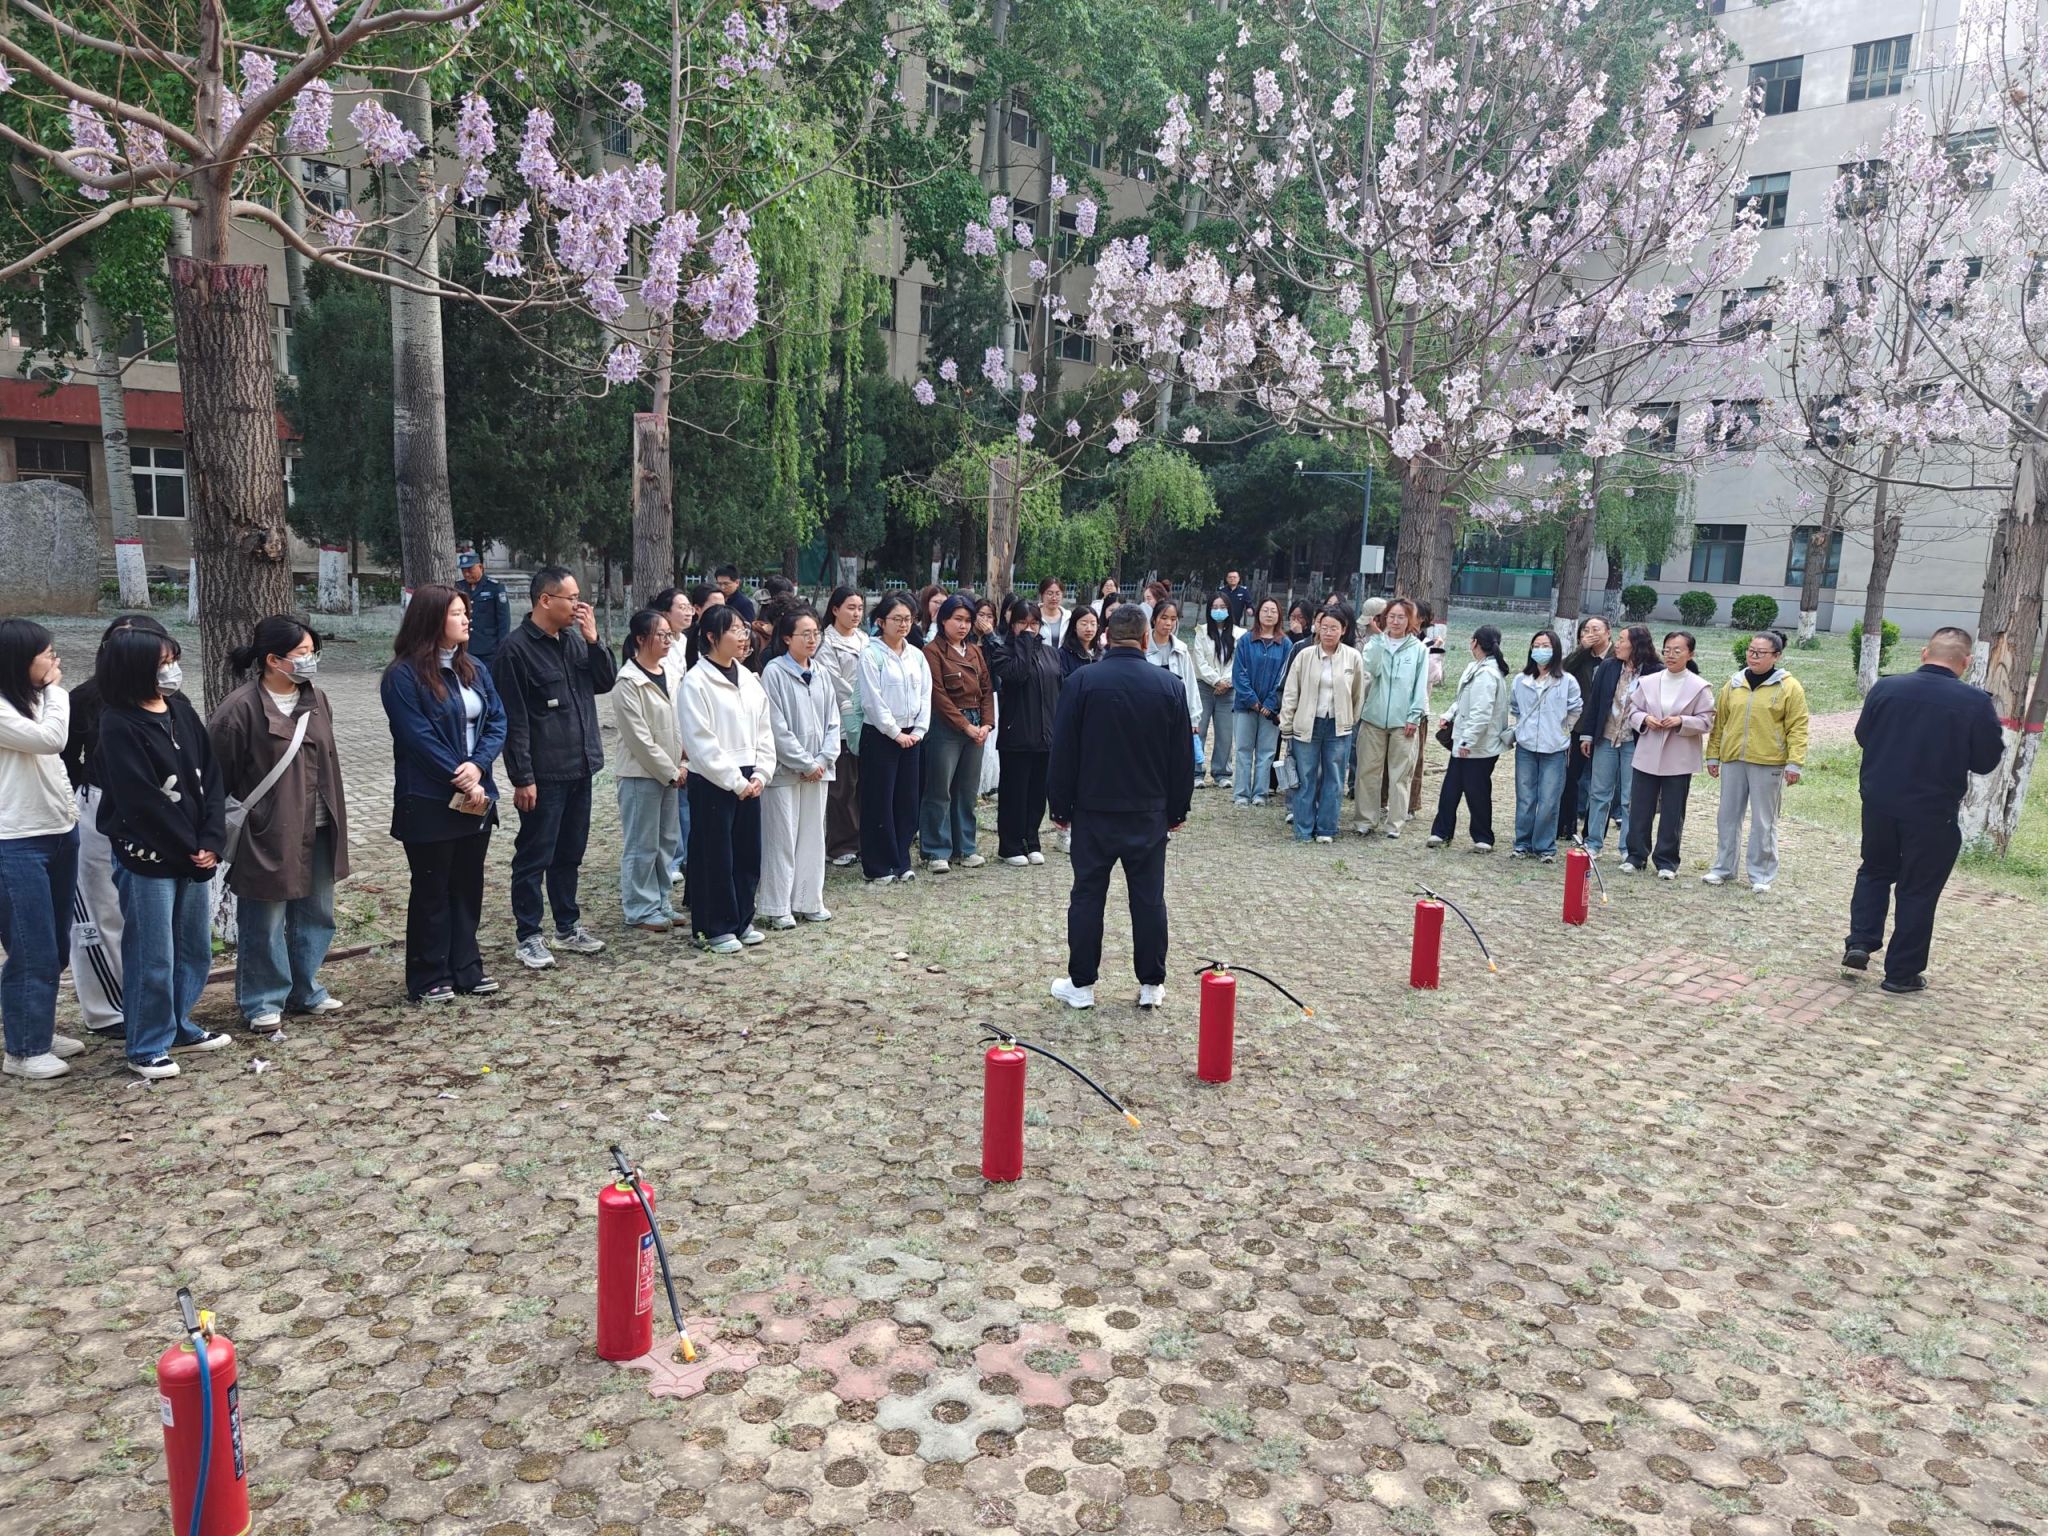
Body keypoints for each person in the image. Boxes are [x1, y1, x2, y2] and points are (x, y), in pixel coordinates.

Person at [93, 626, 231, 1078]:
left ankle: (179, 1025)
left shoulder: (181, 711)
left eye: (173, 661)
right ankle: (147, 1043)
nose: (171, 671)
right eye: (162, 664)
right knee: (152, 953)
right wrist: (190, 846)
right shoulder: (118, 723)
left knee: (193, 948)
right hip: (148, 856)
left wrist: (212, 840)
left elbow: (211, 778)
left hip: (194, 852)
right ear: (135, 669)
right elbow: (140, 799)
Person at [1047, 605, 1195, 1009]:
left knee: (1087, 896)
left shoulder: (1081, 682)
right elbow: (1182, 757)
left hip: (1092, 809)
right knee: (1148, 899)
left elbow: (1063, 750)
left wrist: (1059, 806)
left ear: (1106, 637)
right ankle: (1151, 983)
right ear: (1146, 639)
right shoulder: (1169, 686)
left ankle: (1082, 985)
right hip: (1148, 811)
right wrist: (1177, 809)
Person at [208, 615, 351, 1030]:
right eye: (302, 653)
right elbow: (218, 778)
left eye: (312, 652)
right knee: (265, 918)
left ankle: (305, 989)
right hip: (268, 829)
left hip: (321, 822)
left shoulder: (317, 698)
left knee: (316, 911)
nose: (310, 660)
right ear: (273, 659)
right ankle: (262, 1000)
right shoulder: (239, 709)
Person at [1844, 626, 2004, 993]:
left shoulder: (1886, 687)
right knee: (1918, 888)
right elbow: (1985, 762)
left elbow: (1863, 736)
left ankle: (1860, 942)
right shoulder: (1974, 703)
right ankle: (1900, 974)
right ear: (1966, 662)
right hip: (1932, 810)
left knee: (1874, 871)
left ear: (1924, 653)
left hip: (1880, 802)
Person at [383, 584, 507, 1003]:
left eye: (466, 612)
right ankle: (429, 975)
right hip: (429, 798)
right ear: (432, 619)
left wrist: (478, 767)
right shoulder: (402, 676)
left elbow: (497, 721)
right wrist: (463, 776)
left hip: (475, 795)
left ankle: (466, 968)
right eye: (457, 613)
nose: (467, 619)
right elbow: (417, 737)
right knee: (432, 888)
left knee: (467, 885)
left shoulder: (474, 668)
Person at [494, 564, 618, 970]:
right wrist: (522, 777)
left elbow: (605, 682)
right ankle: (529, 935)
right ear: (545, 600)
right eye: (572, 598)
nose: (580, 605)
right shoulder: (515, 650)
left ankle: (568, 925)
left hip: (581, 766)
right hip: (544, 774)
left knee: (570, 853)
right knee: (534, 856)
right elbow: (514, 721)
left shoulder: (575, 641)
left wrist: (594, 640)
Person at [61, 613, 172, 1039]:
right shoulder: (85, 698)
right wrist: (84, 800)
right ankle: (108, 1010)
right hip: (99, 810)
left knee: (150, 911)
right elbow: (66, 760)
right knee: (101, 909)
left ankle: (152, 1000)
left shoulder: (170, 699)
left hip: (158, 810)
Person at [0, 619, 84, 1080]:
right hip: (14, 841)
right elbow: (52, 740)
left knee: (55, 944)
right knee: (31, 946)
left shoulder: (31, 699)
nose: (56, 661)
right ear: (19, 661)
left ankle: (39, 1030)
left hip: (58, 830)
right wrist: (56, 690)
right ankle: (23, 1050)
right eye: (47, 654)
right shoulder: (10, 707)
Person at [678, 604, 777, 952]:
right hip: (714, 780)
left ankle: (742, 919)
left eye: (743, 630)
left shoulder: (749, 679)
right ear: (711, 636)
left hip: (751, 775)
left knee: (747, 854)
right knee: (714, 856)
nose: (742, 636)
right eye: (734, 630)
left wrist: (762, 772)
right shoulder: (695, 682)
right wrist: (736, 782)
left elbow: (764, 731)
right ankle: (713, 928)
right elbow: (701, 742)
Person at [1701, 630, 1810, 895]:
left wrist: (1795, 762)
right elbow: (1720, 722)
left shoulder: (1789, 687)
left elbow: (1798, 727)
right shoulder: (1734, 683)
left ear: (1776, 656)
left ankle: (1761, 874)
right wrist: (1713, 755)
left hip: (1769, 761)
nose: (1754, 656)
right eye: (1751, 651)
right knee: (1727, 816)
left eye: (1761, 653)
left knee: (1763, 820)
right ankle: (1723, 868)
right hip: (1733, 758)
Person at [759, 605, 839, 928]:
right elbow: (776, 727)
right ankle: (778, 906)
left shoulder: (821, 672)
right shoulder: (774, 673)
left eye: (815, 633)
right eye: (805, 634)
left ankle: (808, 900)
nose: (812, 639)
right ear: (786, 638)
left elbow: (833, 722)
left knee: (812, 837)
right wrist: (804, 762)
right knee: (782, 838)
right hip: (785, 771)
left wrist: (821, 760)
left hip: (818, 771)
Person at [611, 608, 686, 934]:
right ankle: (640, 908)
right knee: (642, 844)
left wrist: (682, 763)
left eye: (670, 635)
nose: (668, 640)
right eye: (661, 635)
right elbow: (639, 739)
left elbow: (679, 722)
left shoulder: (670, 673)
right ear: (641, 639)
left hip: (672, 772)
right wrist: (670, 770)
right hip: (640, 774)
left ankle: (661, 900)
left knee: (666, 841)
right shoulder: (628, 681)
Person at [1624, 631, 1716, 878]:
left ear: (1690, 654)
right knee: (1640, 807)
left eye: (1678, 650)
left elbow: (1707, 721)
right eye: (1667, 650)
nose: (1671, 655)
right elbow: (1632, 711)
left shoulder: (1699, 686)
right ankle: (1636, 856)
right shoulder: (1649, 681)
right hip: (1648, 752)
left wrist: (1681, 721)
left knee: (1673, 811)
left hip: (1679, 756)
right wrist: (1645, 719)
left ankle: (1666, 861)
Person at [858, 592, 933, 883]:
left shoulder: (916, 655)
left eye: (908, 619)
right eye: (897, 619)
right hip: (880, 736)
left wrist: (919, 731)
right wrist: (894, 733)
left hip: (912, 736)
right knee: (879, 800)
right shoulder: (871, 653)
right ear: (881, 621)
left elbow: (925, 695)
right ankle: (879, 865)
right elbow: (872, 701)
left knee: (907, 800)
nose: (903, 624)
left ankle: (902, 860)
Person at [1277, 607, 1369, 843]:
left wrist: (1350, 719)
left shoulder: (1353, 657)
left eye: (1334, 628)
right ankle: (1303, 829)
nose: (1328, 632)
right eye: (1324, 627)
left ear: (1343, 630)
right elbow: (1291, 692)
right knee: (1305, 778)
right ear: (1317, 627)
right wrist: (1287, 723)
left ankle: (1327, 828)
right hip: (1307, 725)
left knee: (1334, 779)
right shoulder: (1305, 655)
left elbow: (1358, 693)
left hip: (1338, 727)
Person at [920, 594, 994, 871]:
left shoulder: (974, 650)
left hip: (977, 724)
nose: (963, 626)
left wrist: (986, 724)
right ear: (943, 620)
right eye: (957, 619)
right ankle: (935, 850)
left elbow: (986, 688)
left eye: (968, 620)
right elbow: (937, 694)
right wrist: (965, 725)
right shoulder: (932, 651)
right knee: (939, 789)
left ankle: (965, 847)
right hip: (946, 725)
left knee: (967, 790)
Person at [989, 596, 1063, 864]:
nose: (1029, 628)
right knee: (1015, 793)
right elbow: (1018, 674)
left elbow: (1059, 689)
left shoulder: (1051, 653)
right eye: (1023, 622)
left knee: (1037, 794)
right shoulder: (1002, 652)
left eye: (1034, 623)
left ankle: (1032, 840)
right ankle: (1010, 845)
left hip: (1046, 734)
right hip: (1017, 734)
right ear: (1012, 624)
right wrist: (1023, 643)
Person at [1429, 626, 1512, 851]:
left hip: (1479, 745)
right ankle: (1441, 832)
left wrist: (1468, 741)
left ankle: (1483, 837)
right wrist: (1449, 715)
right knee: (1451, 787)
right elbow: (1463, 699)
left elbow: (1481, 712)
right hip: (1466, 741)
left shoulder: (1487, 674)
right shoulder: (1475, 667)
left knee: (1477, 790)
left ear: (1475, 642)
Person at [1356, 598, 1430, 838]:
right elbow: (1370, 670)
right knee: (1368, 771)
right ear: (1384, 618)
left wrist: (1414, 716)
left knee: (1400, 775)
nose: (1396, 622)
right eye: (1391, 616)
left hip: (1403, 721)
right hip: (1373, 717)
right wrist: (1379, 642)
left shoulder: (1418, 649)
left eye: (1401, 617)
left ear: (1410, 620)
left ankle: (1395, 823)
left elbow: (1419, 687)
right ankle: (1366, 820)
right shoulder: (1374, 644)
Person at [1508, 630, 1583, 862]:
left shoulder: (1567, 681)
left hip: (1554, 749)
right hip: (1526, 747)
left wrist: (1563, 730)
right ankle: (1522, 843)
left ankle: (1544, 847)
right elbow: (1515, 707)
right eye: (1537, 645)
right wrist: (1523, 729)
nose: (1541, 650)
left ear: (1556, 649)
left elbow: (1576, 708)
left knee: (1549, 800)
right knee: (1525, 798)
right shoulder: (1521, 680)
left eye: (1546, 645)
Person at [1580, 624, 1654, 857]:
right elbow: (1594, 702)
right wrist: (1587, 734)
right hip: (1606, 737)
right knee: (1599, 792)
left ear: (1636, 645)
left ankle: (1627, 848)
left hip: (1635, 740)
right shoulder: (1609, 666)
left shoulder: (1654, 671)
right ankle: (1593, 842)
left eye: (1622, 640)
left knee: (1630, 797)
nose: (1618, 644)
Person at [816, 586, 868, 867]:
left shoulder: (864, 639)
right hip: (841, 722)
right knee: (842, 788)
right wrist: (862, 701)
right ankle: (839, 845)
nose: (856, 613)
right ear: (835, 609)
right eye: (850, 607)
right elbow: (836, 684)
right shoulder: (826, 643)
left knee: (861, 786)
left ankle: (859, 840)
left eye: (859, 608)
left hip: (867, 719)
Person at [650, 586, 697, 883]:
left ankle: (683, 855)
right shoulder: (659, 650)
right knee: (674, 798)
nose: (688, 611)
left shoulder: (685, 643)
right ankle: (673, 858)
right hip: (668, 728)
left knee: (684, 800)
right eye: (681, 607)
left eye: (689, 606)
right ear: (664, 613)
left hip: (684, 722)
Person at [1231, 597, 1291, 807]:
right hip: (1245, 707)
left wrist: (1270, 703)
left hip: (1270, 710)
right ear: (1258, 614)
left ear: (1279, 615)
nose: (1269, 614)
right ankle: (1241, 793)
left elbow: (1284, 677)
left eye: (1273, 611)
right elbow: (1239, 673)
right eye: (1265, 610)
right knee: (1243, 750)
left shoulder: (1285, 644)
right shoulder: (1246, 641)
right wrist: (1253, 701)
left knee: (1266, 752)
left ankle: (1260, 793)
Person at [1557, 617, 1611, 845]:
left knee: (1602, 784)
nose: (1591, 633)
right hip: (1580, 725)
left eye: (1596, 629)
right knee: (1570, 777)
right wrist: (1581, 649)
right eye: (1586, 630)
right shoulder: (1582, 658)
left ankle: (1592, 833)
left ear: (1608, 632)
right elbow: (1560, 671)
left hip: (1608, 728)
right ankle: (1566, 827)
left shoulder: (1617, 655)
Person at [1145, 599, 1204, 780]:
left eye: (1173, 619)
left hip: (1175, 712)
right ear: (1154, 619)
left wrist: (1194, 719)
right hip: (1149, 711)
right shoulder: (1143, 647)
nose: (1168, 623)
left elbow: (1190, 685)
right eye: (1164, 618)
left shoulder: (1181, 649)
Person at [1194, 592, 1242, 792]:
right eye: (1214, 607)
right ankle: (1196, 772)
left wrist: (1226, 682)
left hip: (1229, 690)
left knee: (1225, 733)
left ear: (1229, 610)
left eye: (1222, 607)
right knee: (1199, 730)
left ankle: (1222, 773)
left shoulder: (1239, 634)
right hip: (1205, 687)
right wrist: (1216, 680)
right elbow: (1200, 661)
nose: (1218, 611)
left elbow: (1238, 661)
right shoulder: (1201, 632)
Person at [459, 550, 512, 665]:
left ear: (480, 567)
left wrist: (502, 647)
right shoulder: (459, 587)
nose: (467, 574)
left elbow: (504, 620)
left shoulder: (495, 587)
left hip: (489, 648)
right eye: (463, 570)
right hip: (466, 647)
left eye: (470, 570)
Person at [1059, 607, 1102, 676]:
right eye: (1084, 624)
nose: (1089, 629)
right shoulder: (1063, 654)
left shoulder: (1101, 653)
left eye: (1093, 624)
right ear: (1074, 627)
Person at [908, 583, 948, 650]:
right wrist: (934, 624)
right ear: (926, 603)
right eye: (936, 602)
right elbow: (928, 650)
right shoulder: (915, 628)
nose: (940, 606)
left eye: (944, 603)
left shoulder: (949, 626)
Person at [1035, 579, 1070, 651]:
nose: (1054, 598)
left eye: (1057, 594)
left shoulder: (1068, 617)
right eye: (1050, 594)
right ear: (1041, 595)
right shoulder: (1033, 615)